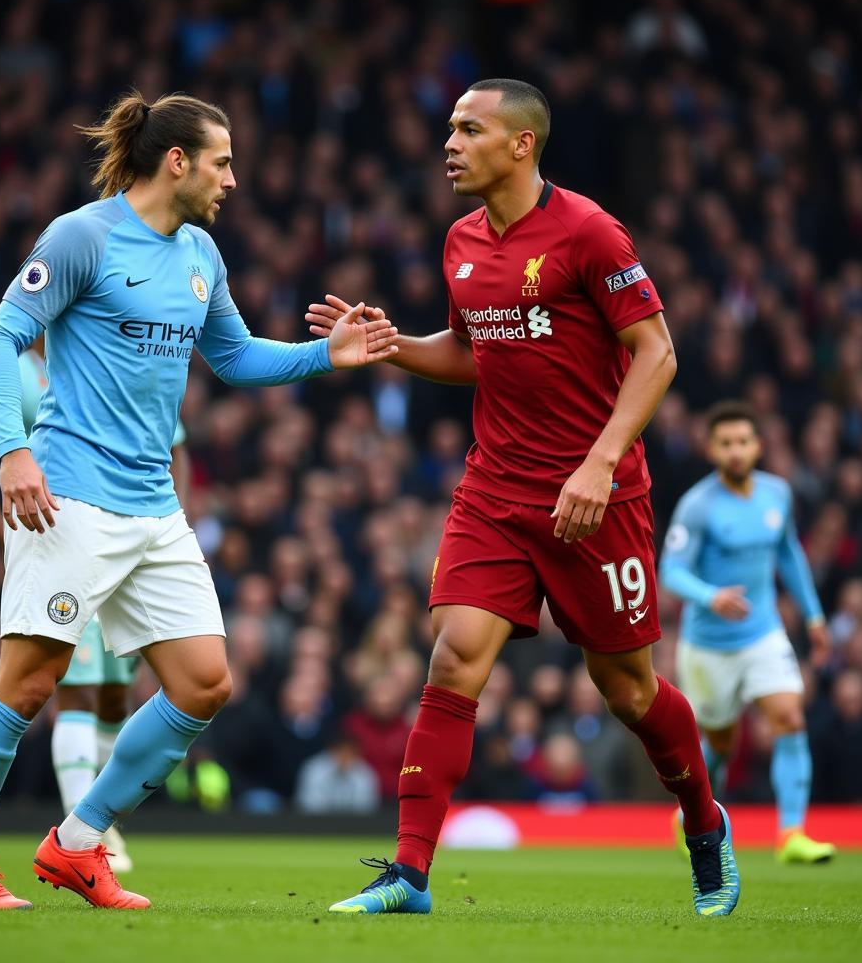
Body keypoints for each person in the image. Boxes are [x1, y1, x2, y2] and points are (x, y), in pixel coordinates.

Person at [0, 90, 398, 911]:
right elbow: (0, 338)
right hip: (69, 496)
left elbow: (238, 358)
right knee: (29, 684)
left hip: (154, 504)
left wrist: (329, 354)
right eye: (222, 162)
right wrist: (12, 450)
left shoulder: (201, 254)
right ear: (176, 161)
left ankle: (77, 845)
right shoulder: (84, 235)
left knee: (205, 682)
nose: (233, 179)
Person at [307, 78, 739, 917]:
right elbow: (475, 353)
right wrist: (390, 346)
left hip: (597, 498)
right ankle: (409, 875)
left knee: (629, 692)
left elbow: (657, 353)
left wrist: (601, 463)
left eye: (470, 130)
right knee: (454, 655)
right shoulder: (461, 240)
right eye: (449, 129)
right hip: (496, 488)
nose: (450, 144)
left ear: (521, 145)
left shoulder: (588, 231)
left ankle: (702, 819)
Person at [0, 341, 191, 873]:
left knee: (114, 696)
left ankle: (96, 823)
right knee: (70, 689)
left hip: (135, 536)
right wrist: (5, 531)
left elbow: (178, 448)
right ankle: (77, 835)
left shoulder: (114, 351)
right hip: (63, 544)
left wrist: (177, 526)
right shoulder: (17, 371)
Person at [659, 400, 835, 863]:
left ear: (758, 445)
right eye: (725, 443)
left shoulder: (777, 494)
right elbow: (671, 571)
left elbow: (790, 556)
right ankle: (690, 816)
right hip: (709, 645)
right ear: (711, 449)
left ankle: (791, 834)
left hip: (763, 634)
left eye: (743, 441)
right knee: (719, 742)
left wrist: (814, 615)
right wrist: (709, 596)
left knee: (789, 718)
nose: (735, 451)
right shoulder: (698, 506)